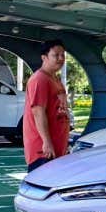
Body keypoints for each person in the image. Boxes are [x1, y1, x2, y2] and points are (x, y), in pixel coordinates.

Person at [23, 39, 70, 172]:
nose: (61, 58)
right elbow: (38, 112)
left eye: (63, 55)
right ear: (44, 57)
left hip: (57, 148)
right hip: (43, 151)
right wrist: (47, 142)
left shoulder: (55, 80)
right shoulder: (40, 80)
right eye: (56, 55)